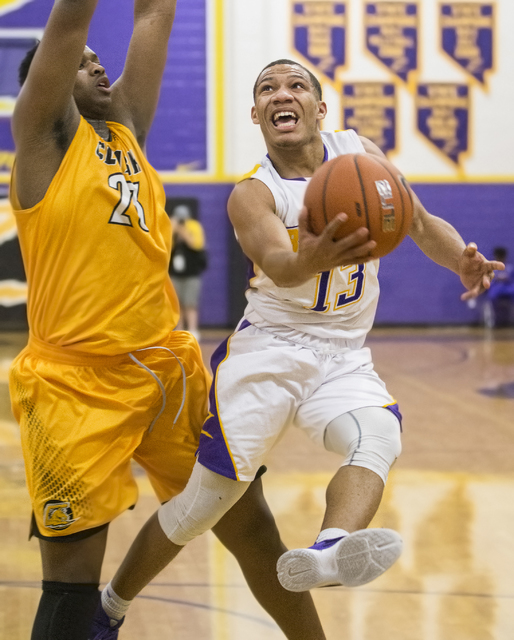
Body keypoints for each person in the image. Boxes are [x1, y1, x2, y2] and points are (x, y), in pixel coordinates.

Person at [91, 59, 504, 634]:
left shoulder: (359, 153)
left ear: (319, 108)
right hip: (269, 352)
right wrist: (308, 257)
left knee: (378, 435)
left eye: (296, 86)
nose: (282, 95)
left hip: (346, 352)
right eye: (267, 90)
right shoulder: (252, 194)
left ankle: (330, 551)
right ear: (257, 115)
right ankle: (109, 605)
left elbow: (420, 221)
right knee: (202, 505)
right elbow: (282, 268)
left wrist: (460, 260)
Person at [9, 6, 328, 637]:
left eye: (99, 62)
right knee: (70, 586)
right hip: (75, 384)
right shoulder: (41, 139)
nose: (98, 67)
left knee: (253, 528)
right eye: (81, 65)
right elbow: (69, 24)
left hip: (165, 368)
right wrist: (66, 42)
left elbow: (156, 13)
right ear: (46, 82)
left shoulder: (123, 129)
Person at [169, 203, 207, 341]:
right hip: (174, 273)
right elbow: (166, 246)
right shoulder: (171, 228)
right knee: (177, 303)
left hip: (191, 273)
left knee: (190, 302)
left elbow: (196, 245)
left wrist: (183, 231)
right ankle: (179, 329)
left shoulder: (194, 227)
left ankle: (192, 329)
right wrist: (173, 229)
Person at [483, 246, 514, 327]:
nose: (500, 258)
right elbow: (489, 281)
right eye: (498, 256)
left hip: (508, 288)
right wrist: (496, 278)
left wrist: (506, 278)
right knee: (492, 296)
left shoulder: (510, 268)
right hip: (496, 288)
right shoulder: (491, 269)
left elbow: (512, 280)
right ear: (496, 257)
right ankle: (493, 320)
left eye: (502, 256)